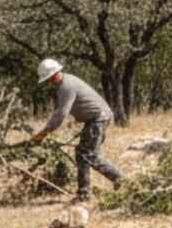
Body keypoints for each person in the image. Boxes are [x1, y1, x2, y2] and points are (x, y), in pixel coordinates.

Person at [31, 57, 122, 200]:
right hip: (95, 119)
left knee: (88, 154)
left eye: (49, 78)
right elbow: (62, 110)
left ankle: (120, 180)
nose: (49, 82)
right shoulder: (65, 83)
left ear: (55, 74)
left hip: (98, 118)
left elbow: (61, 113)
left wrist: (43, 133)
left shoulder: (66, 86)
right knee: (82, 154)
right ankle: (83, 193)